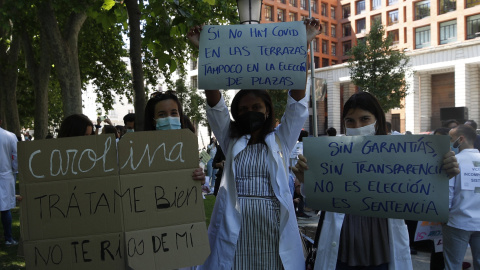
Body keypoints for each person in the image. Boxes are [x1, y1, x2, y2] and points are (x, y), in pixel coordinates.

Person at [188, 18, 322, 269]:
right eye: (244, 108)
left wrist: (301, 45)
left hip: (272, 231)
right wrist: (203, 50)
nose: (251, 112)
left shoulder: (282, 138)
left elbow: (297, 102)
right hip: (235, 231)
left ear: (268, 110)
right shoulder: (231, 139)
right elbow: (215, 104)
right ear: (237, 113)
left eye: (256, 107)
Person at [293, 92, 460, 270]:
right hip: (342, 242)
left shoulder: (401, 149)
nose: (357, 126)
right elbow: (315, 200)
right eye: (350, 121)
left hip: (382, 242)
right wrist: (306, 181)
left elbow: (421, 186)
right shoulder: (330, 152)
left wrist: (442, 173)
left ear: (377, 119)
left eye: (365, 119)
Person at [143, 91, 205, 183]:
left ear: (180, 116)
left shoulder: (188, 149)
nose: (169, 119)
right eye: (162, 114)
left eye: (173, 113)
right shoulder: (142, 152)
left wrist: (200, 178)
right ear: (153, 120)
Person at [443, 125, 480, 270]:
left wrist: (443, 216)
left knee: (453, 265)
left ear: (461, 139)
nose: (450, 143)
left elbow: (448, 193)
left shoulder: (454, 162)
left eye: (451, 139)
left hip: (457, 222)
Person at [0, 118, 18, 245]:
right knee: (5, 208)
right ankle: (8, 238)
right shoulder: (10, 136)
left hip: (5, 174)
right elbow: (17, 156)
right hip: (6, 174)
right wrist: (14, 169)